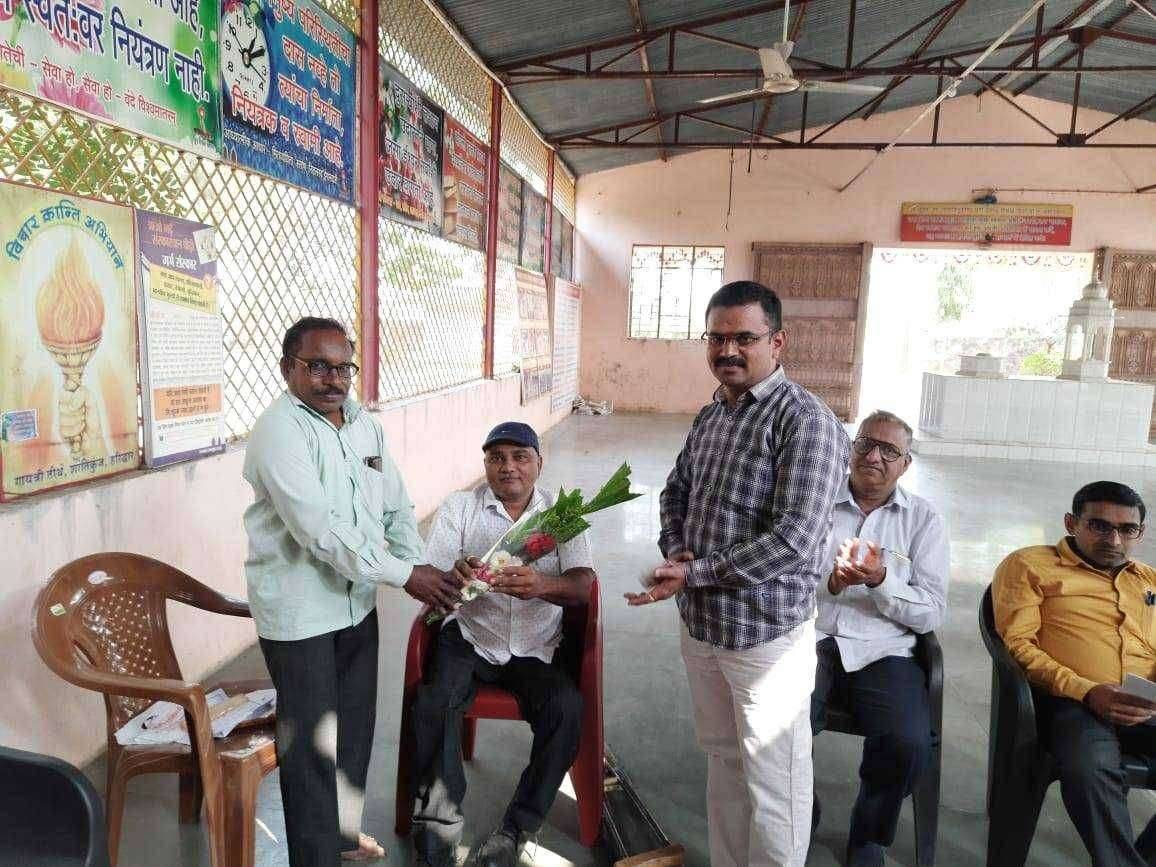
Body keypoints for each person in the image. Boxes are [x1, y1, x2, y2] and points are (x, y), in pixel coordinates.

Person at [627, 280, 850, 867]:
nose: (728, 350)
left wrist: (695, 573)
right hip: (702, 628)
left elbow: (796, 542)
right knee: (724, 762)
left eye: (743, 338)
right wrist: (678, 555)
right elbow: (676, 492)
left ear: (777, 342)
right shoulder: (713, 414)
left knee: (776, 781)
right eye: (717, 338)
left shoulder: (806, 422)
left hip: (765, 640)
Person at [243, 317, 467, 866]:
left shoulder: (364, 425)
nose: (333, 379)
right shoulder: (279, 432)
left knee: (355, 733)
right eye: (317, 366)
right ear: (287, 369)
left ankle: (341, 838)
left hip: (355, 604)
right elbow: (320, 531)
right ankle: (315, 858)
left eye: (344, 367)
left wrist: (419, 564)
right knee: (312, 750)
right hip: (300, 614)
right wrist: (405, 576)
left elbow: (394, 506)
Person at [412, 421, 596, 867]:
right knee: (433, 704)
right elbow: (425, 578)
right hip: (471, 637)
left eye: (520, 457)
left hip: (535, 647)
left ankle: (515, 830)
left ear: (539, 462)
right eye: (496, 458)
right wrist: (452, 576)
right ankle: (437, 834)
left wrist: (542, 585)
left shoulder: (562, 515)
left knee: (567, 709)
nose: (508, 467)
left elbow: (583, 585)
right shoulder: (460, 508)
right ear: (486, 464)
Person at [810, 410, 949, 867]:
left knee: (908, 741)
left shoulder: (924, 521)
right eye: (866, 444)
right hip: (809, 639)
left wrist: (881, 580)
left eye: (889, 450)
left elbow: (930, 611)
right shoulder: (812, 503)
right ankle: (797, 810)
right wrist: (831, 583)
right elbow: (781, 578)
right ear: (850, 449)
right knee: (777, 725)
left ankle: (868, 833)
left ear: (906, 464)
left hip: (883, 647)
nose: (874, 456)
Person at [994, 480, 1156, 866]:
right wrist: (1087, 691)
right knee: (1089, 771)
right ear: (1071, 522)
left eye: (1127, 529)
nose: (1114, 539)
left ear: (1141, 533)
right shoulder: (1031, 565)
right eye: (1099, 525)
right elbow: (1018, 647)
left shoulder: (1148, 579)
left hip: (1146, 701)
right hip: (1074, 703)